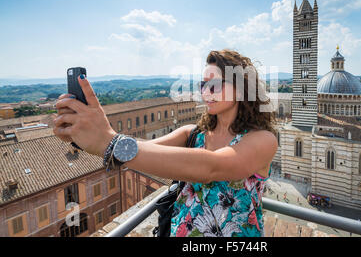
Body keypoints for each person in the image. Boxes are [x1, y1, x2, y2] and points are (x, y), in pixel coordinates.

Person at [53, 49, 278, 237]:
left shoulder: (263, 140)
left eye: (215, 84)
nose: (206, 92)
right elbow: (143, 149)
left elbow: (211, 167)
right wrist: (83, 138)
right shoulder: (192, 134)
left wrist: (109, 140)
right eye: (203, 84)